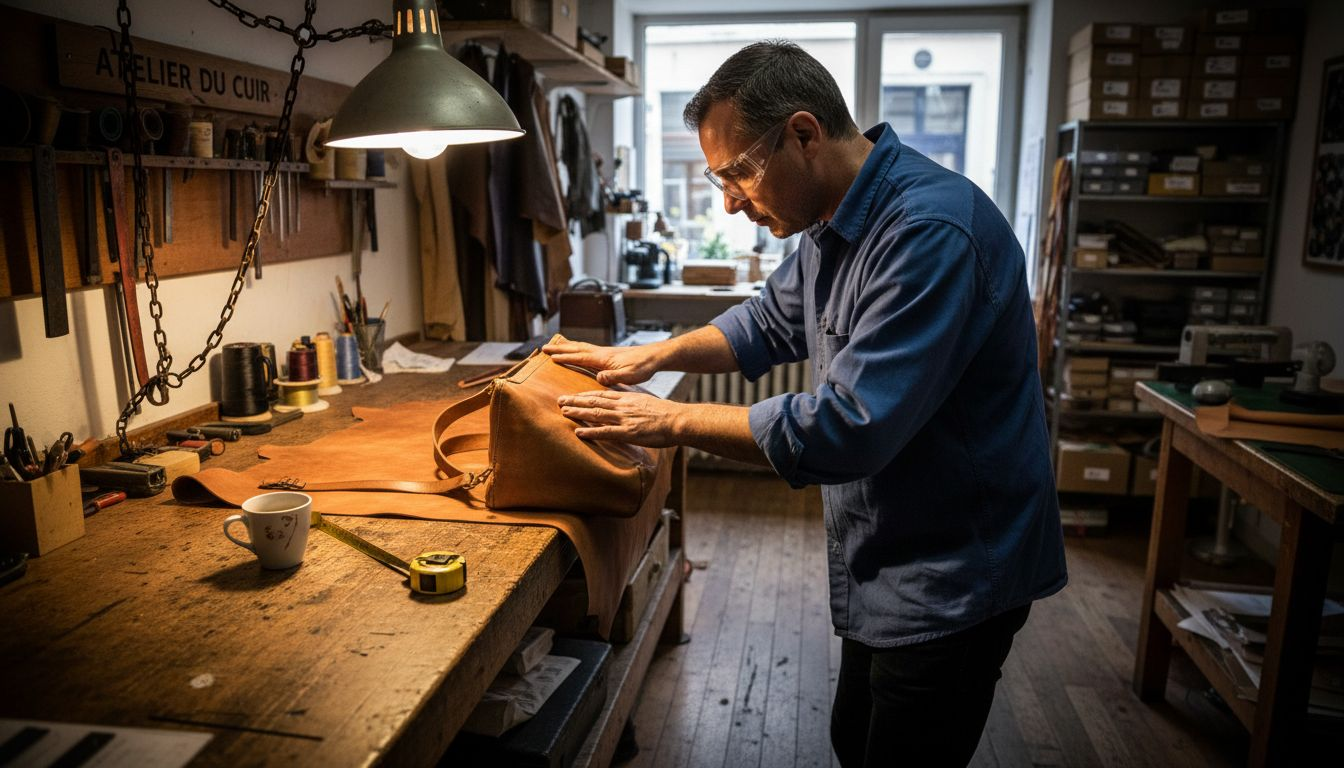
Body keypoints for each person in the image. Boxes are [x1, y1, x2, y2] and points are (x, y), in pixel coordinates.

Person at [546, 40, 1066, 768]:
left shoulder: (927, 232)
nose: (729, 201)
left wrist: (668, 420)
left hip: (954, 573)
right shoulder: (834, 220)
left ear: (802, 133)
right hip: (888, 558)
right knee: (854, 739)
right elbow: (767, 320)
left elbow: (849, 428)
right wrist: (653, 355)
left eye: (738, 173)